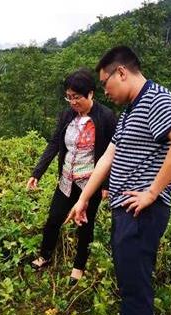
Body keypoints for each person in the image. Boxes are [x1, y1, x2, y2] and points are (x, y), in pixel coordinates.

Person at [66, 46, 171, 315]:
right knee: (129, 277)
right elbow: (109, 157)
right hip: (126, 210)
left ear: (121, 72)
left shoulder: (155, 99)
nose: (105, 92)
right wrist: (84, 198)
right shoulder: (130, 110)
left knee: (135, 283)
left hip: (142, 211)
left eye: (105, 83)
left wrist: (152, 192)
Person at [28, 68, 117, 284]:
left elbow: (111, 152)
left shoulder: (105, 117)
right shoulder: (67, 115)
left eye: (77, 97)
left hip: (90, 183)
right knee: (53, 220)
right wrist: (37, 173)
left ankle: (78, 267)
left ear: (91, 94)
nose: (72, 102)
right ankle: (45, 255)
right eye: (69, 97)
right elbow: (55, 144)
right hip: (67, 179)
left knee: (85, 225)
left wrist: (106, 183)